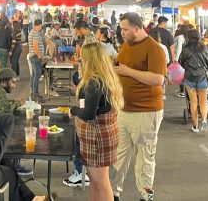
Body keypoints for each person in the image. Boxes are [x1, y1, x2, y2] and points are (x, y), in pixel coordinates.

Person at [113, 12, 167, 201]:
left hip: (146, 111)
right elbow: (119, 65)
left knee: (144, 157)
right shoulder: (126, 44)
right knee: (119, 155)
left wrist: (128, 71)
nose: (122, 32)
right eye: (121, 28)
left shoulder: (154, 49)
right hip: (124, 110)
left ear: (137, 28)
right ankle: (114, 193)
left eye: (125, 29)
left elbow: (158, 79)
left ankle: (145, 195)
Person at [68, 42, 123, 201]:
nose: (80, 60)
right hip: (103, 135)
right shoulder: (105, 77)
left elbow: (89, 114)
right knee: (95, 181)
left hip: (97, 138)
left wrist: (73, 111)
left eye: (82, 57)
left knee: (101, 182)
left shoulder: (94, 81)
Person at [179, 28, 208, 133]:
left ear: (188, 37)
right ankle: (204, 120)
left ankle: (195, 126)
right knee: (203, 102)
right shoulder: (205, 48)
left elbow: (181, 63)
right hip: (203, 78)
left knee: (193, 102)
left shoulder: (185, 49)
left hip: (190, 78)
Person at [27, 19, 45, 101]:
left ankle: (33, 93)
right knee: (37, 74)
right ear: (40, 25)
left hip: (33, 56)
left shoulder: (32, 32)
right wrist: (39, 55)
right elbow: (35, 46)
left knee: (34, 75)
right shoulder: (35, 33)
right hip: (35, 57)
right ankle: (35, 94)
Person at [173, 24, 188, 98]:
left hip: (181, 58)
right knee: (185, 74)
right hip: (187, 57)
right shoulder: (187, 38)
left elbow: (179, 48)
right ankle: (185, 91)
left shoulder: (180, 37)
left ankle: (182, 91)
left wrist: (176, 59)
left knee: (181, 75)